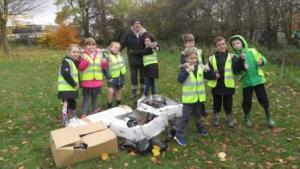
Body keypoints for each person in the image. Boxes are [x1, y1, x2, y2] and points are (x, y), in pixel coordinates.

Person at [229, 35, 275, 128]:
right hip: (246, 82)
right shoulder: (235, 57)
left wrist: (261, 62)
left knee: (263, 98)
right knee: (247, 101)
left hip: (258, 80)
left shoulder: (252, 51)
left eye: (237, 43)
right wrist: (242, 64)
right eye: (233, 44)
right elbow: (235, 70)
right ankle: (247, 118)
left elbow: (263, 59)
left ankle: (269, 118)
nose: (236, 45)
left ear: (242, 42)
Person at [174, 47, 213, 146]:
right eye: (191, 58)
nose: (193, 60)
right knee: (185, 117)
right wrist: (187, 71)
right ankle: (179, 135)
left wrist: (209, 69)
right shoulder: (184, 68)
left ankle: (200, 129)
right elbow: (180, 79)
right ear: (186, 59)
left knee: (198, 116)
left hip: (198, 98)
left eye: (195, 58)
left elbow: (206, 76)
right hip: (188, 99)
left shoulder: (200, 67)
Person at [207, 36, 245, 128]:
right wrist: (213, 75)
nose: (221, 46)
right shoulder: (211, 58)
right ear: (216, 47)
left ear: (226, 45)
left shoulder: (232, 56)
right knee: (217, 102)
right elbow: (207, 72)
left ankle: (229, 117)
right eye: (219, 45)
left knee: (228, 102)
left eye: (223, 44)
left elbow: (236, 69)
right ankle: (216, 116)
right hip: (216, 85)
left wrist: (241, 60)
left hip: (228, 84)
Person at [180, 33, 209, 117]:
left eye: (192, 42)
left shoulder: (199, 51)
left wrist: (205, 66)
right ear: (185, 44)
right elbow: (183, 63)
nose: (191, 44)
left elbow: (203, 61)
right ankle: (192, 110)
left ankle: (202, 110)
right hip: (190, 75)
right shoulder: (183, 53)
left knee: (200, 92)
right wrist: (187, 68)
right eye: (188, 42)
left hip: (199, 73)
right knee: (192, 93)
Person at [121, 18, 148, 98]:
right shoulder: (128, 34)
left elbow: (151, 42)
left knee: (143, 76)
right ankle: (134, 92)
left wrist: (156, 46)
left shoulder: (145, 34)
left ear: (141, 25)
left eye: (139, 23)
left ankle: (143, 91)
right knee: (133, 76)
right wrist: (116, 50)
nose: (137, 25)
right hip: (132, 59)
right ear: (133, 25)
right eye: (135, 23)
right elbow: (122, 44)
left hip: (143, 59)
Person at [78, 37, 106, 117]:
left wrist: (104, 63)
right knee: (86, 98)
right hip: (87, 82)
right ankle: (83, 114)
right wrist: (85, 62)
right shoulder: (83, 55)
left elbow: (103, 67)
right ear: (85, 46)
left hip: (97, 81)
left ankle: (94, 112)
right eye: (89, 45)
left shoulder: (99, 55)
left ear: (96, 46)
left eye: (93, 45)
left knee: (95, 98)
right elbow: (80, 68)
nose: (91, 47)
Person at [57, 44, 80, 126]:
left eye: (77, 52)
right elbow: (65, 74)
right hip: (66, 89)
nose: (76, 54)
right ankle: (64, 120)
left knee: (73, 103)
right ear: (69, 52)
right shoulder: (66, 61)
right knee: (66, 104)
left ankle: (73, 118)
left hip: (71, 89)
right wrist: (74, 84)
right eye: (74, 52)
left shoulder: (73, 61)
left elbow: (81, 62)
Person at [103, 42, 126, 108]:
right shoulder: (107, 57)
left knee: (119, 90)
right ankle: (109, 106)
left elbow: (123, 64)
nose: (116, 49)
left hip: (121, 76)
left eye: (118, 48)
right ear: (111, 47)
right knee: (111, 91)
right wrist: (109, 77)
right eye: (115, 47)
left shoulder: (120, 56)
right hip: (112, 77)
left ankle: (118, 105)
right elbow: (105, 68)